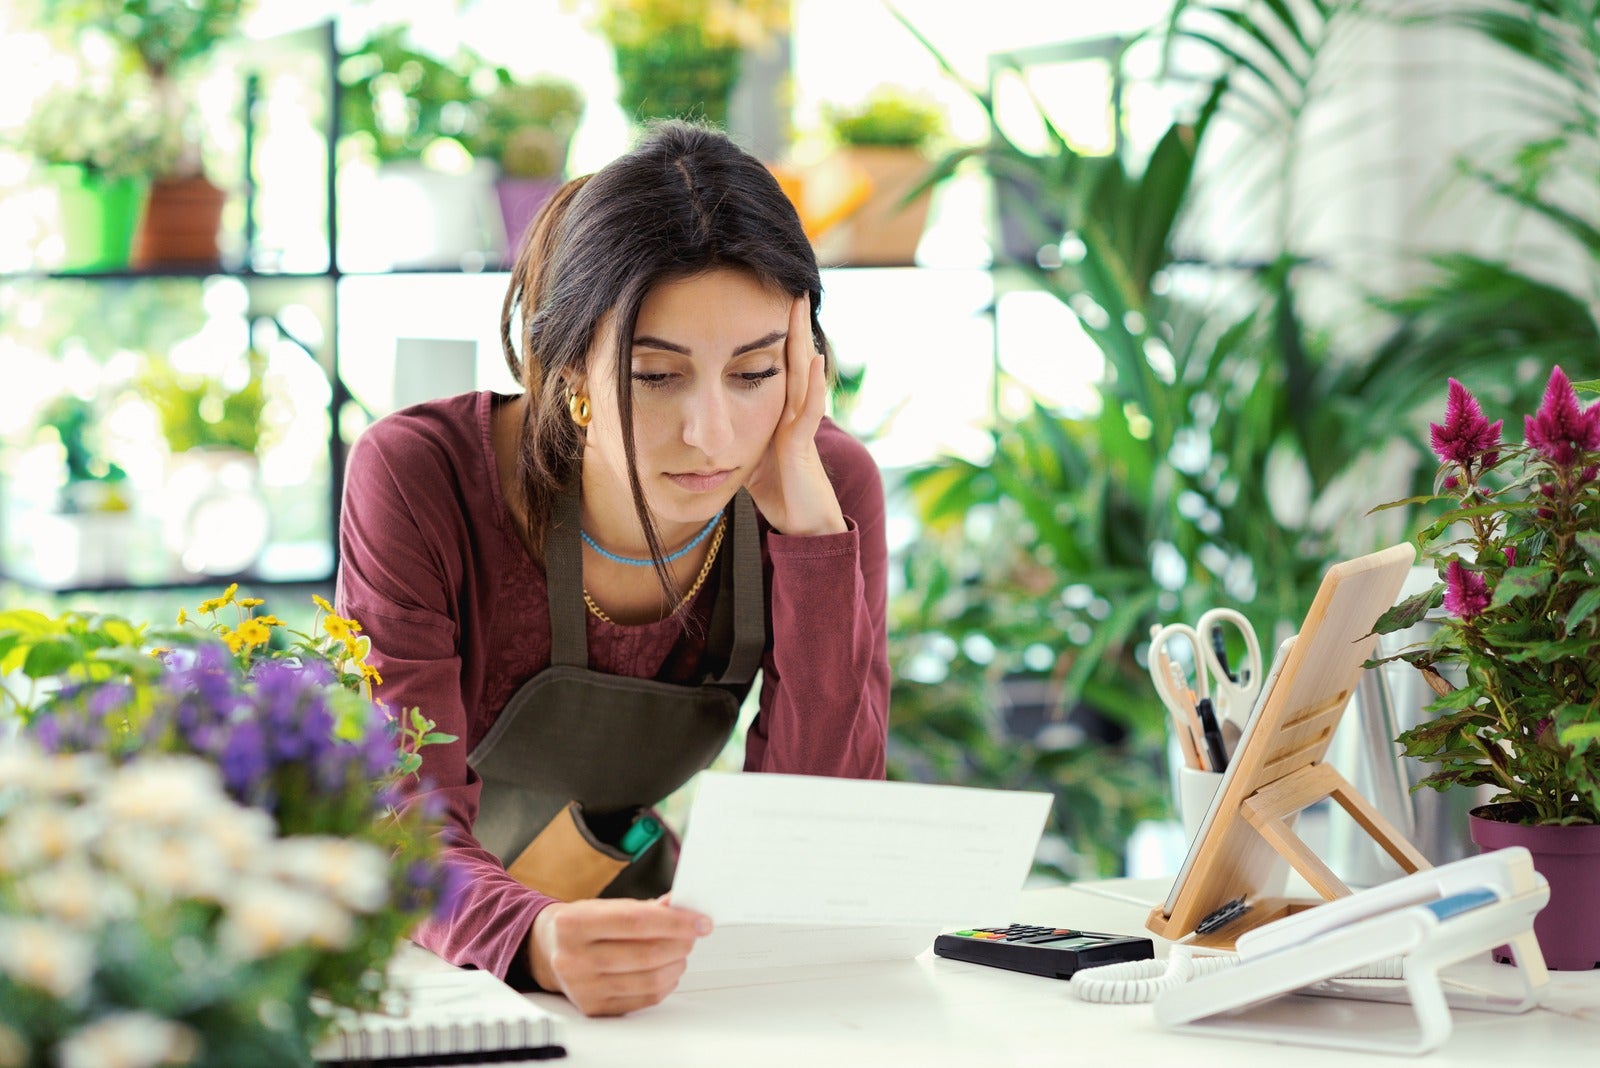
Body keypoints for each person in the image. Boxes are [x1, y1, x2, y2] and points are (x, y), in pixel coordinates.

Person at [335, 120, 890, 1018]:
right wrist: (533, 938)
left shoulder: (821, 489)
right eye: (654, 375)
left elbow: (814, 839)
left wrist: (816, 544)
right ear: (571, 371)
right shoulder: (421, 478)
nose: (710, 434)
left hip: (630, 949)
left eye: (754, 374)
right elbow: (399, 810)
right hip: (428, 953)